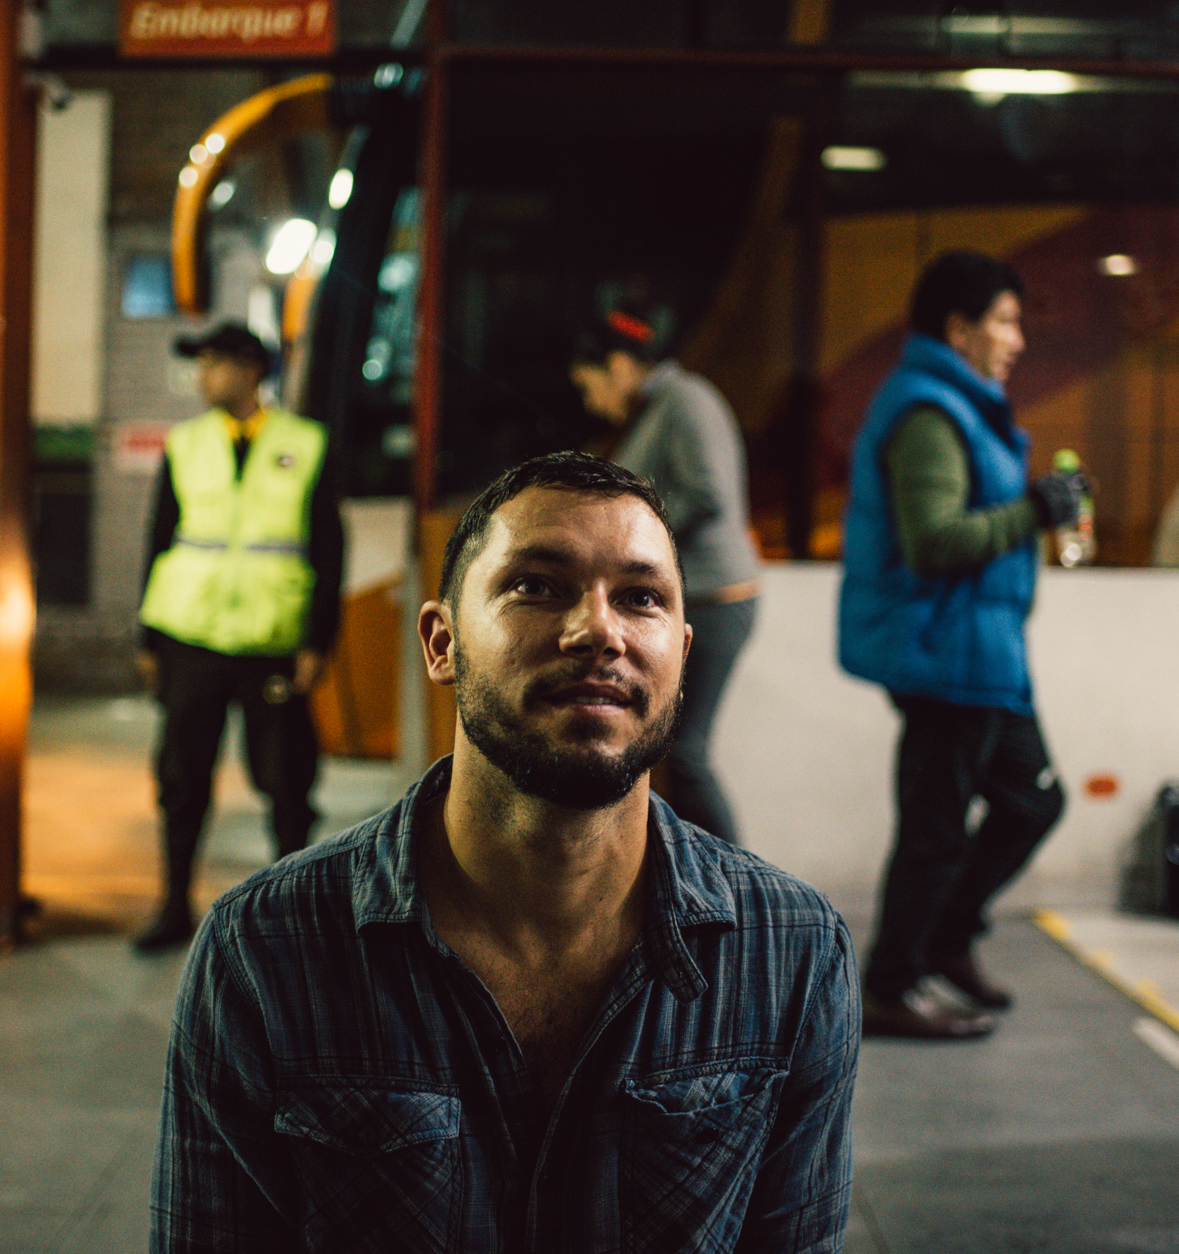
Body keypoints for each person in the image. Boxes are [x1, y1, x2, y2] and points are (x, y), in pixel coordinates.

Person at [151, 451, 860, 1253]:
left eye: (640, 598)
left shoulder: (792, 952)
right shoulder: (264, 951)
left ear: (682, 655)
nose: (599, 629)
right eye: (537, 585)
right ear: (441, 642)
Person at [837, 250, 1089, 1040]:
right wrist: (1035, 512)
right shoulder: (929, 413)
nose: (1018, 339)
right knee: (937, 829)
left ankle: (944, 940)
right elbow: (935, 540)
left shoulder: (966, 406)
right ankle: (891, 982)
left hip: (987, 655)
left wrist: (1031, 510)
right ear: (959, 328)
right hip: (945, 653)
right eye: (1006, 321)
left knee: (1032, 798)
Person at [132, 322, 344, 953]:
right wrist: (147, 639)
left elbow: (330, 545)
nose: (204, 376)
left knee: (286, 780)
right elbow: (160, 535)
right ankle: (173, 905)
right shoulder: (186, 443)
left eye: (215, 363)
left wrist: (318, 640)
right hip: (190, 634)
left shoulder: (306, 444)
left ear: (252, 369)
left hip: (272, 638)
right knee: (181, 775)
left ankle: (294, 910)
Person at [569, 306, 761, 843]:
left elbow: (706, 494)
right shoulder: (657, 408)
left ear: (618, 366)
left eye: (590, 386)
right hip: (697, 597)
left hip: (714, 599)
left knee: (683, 752)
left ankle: (736, 883)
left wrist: (625, 540)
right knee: (666, 751)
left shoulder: (686, 401)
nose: (592, 402)